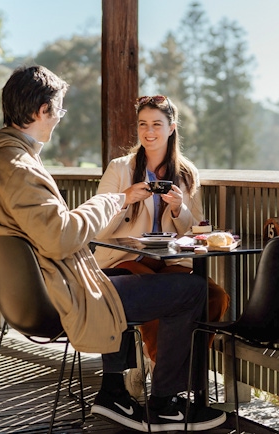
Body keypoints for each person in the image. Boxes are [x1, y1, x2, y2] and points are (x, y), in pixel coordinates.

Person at [0, 65, 226, 432]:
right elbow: (60, 236)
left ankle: (118, 394)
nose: (59, 120)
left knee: (177, 286)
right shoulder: (17, 166)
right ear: (41, 111)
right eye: (59, 110)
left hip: (35, 293)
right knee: (191, 291)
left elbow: (50, 233)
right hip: (64, 293)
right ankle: (162, 404)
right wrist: (116, 201)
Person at [94, 95, 230, 396]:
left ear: (171, 128)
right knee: (160, 294)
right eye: (143, 124)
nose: (149, 131)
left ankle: (175, 369)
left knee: (216, 297)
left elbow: (198, 231)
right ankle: (166, 383)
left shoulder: (187, 173)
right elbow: (98, 228)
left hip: (171, 262)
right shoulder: (120, 168)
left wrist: (180, 209)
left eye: (157, 124)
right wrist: (125, 199)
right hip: (123, 259)